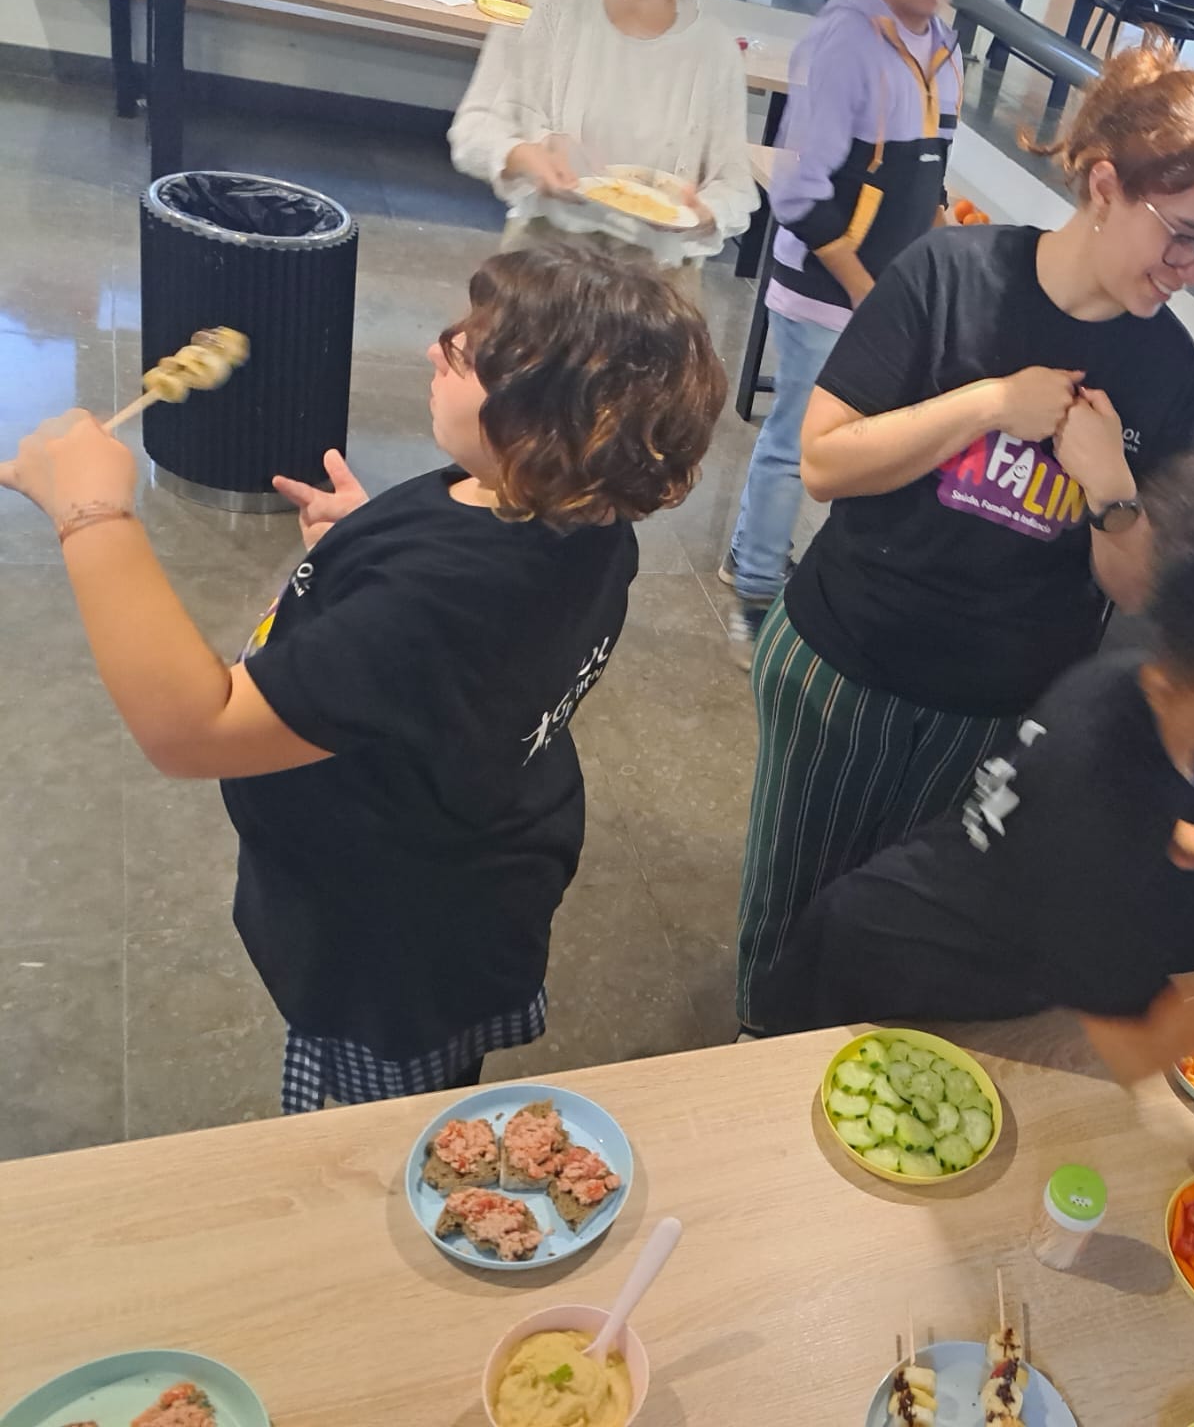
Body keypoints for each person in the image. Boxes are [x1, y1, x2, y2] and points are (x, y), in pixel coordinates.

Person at [0, 245, 724, 1109]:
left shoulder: (437, 603)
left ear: (543, 427)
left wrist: (92, 515)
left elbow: (194, 729)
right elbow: (462, 630)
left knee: (373, 1124)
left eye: (471, 353)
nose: (436, 348)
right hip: (472, 852)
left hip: (390, 931)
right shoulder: (573, 508)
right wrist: (371, 538)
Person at [733, 37, 1194, 1032]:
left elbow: (1141, 588)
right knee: (788, 914)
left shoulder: (1173, 381)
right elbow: (827, 462)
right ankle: (753, 1066)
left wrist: (1110, 486)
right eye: (1182, 236)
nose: (1191, 270)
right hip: (845, 667)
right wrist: (986, 404)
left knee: (900, 926)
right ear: (1104, 185)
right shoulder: (951, 274)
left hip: (995, 710)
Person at [749, 470, 1194, 1080]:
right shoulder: (1103, 821)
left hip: (886, 919)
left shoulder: (1127, 685)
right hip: (884, 989)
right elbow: (1138, 1052)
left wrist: (1185, 838)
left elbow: (1053, 812)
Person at [722, 0, 972, 658]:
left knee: (864, 448)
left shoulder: (945, 47)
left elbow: (925, 175)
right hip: (825, 292)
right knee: (799, 443)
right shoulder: (846, 41)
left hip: (888, 296)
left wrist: (946, 253)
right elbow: (799, 192)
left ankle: (775, 561)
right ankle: (753, 591)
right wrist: (867, 291)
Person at [448, 0, 757, 294]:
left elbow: (736, 187)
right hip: (546, 260)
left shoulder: (712, 49)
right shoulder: (553, 10)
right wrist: (525, 155)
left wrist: (705, 211)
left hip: (657, 281)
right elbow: (474, 131)